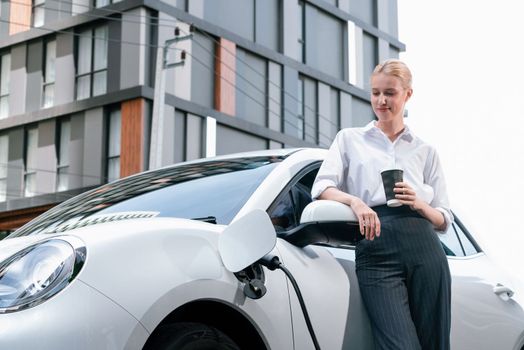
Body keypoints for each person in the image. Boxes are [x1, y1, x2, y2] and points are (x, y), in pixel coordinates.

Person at [311, 59, 451, 350]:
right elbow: (322, 187)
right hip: (376, 247)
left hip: (424, 246)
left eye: (390, 92)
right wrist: (356, 202)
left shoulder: (425, 150)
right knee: (399, 346)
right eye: (375, 93)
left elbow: (444, 218)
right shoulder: (349, 139)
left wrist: (419, 203)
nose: (381, 100)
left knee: (434, 345)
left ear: (407, 94)